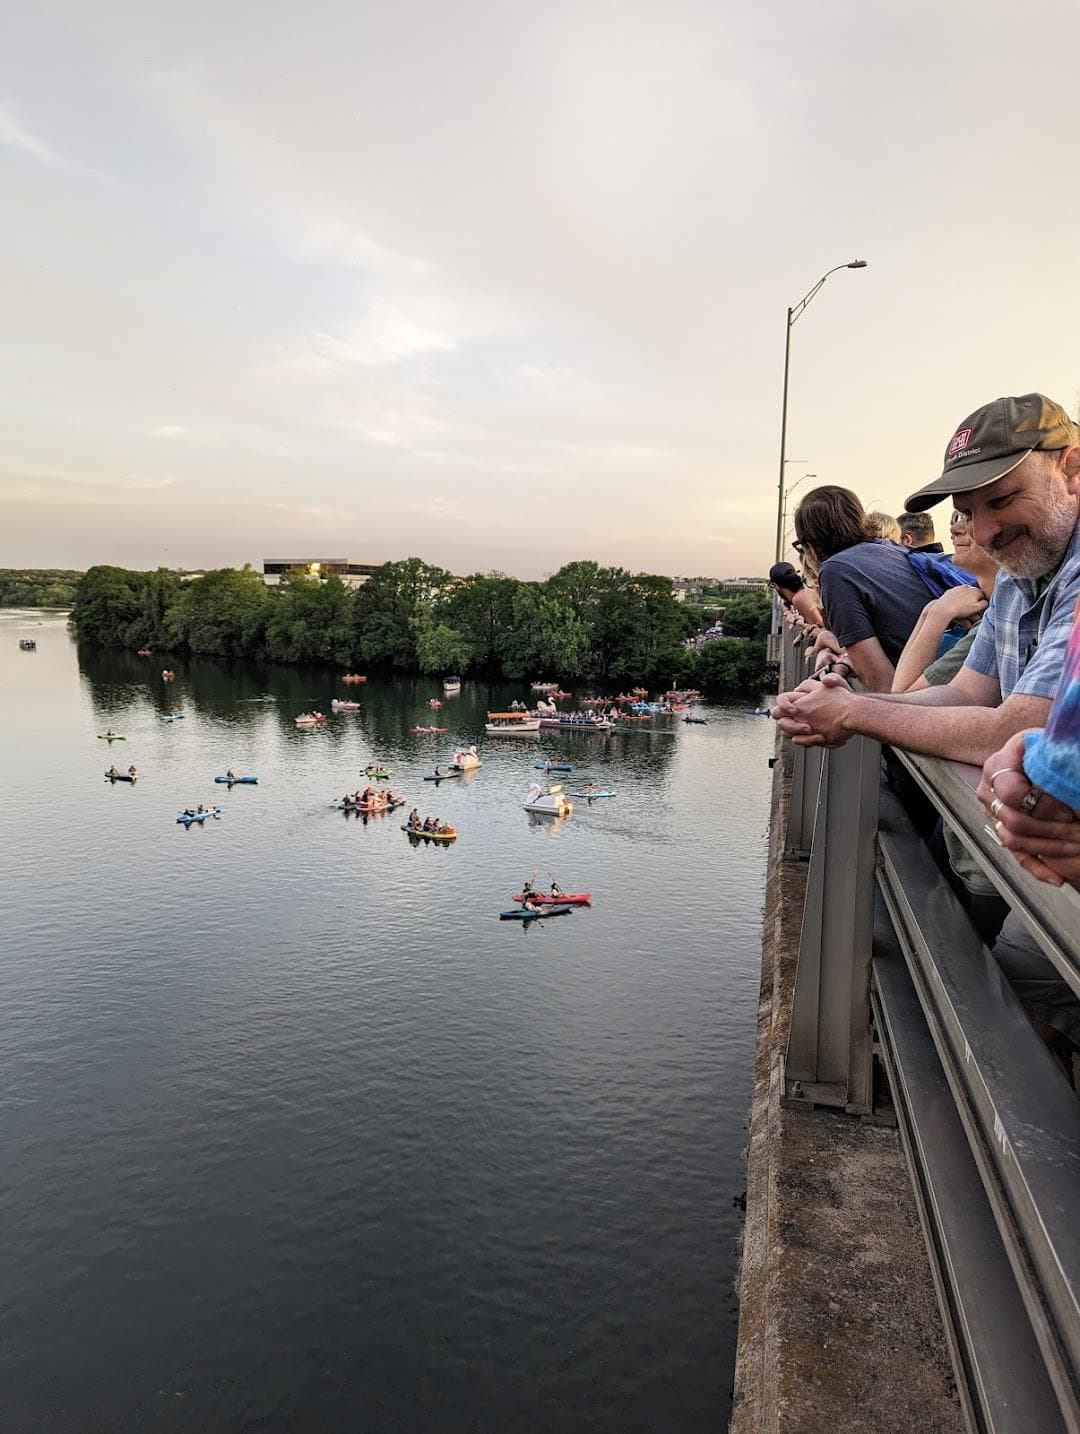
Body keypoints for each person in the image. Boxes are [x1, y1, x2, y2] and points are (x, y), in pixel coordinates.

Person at [775, 394, 1080, 766]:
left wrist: (853, 712)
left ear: (1071, 470)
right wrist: (844, 702)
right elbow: (964, 694)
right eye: (967, 513)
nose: (983, 534)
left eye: (1001, 500)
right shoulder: (1016, 576)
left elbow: (1019, 731)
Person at [790, 485, 937, 690]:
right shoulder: (891, 549)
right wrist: (848, 658)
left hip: (927, 694)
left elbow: (883, 684)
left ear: (812, 546)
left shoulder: (835, 571)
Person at [891, 510, 999, 693]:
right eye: (956, 518)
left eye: (969, 517)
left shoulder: (992, 622)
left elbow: (903, 695)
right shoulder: (966, 605)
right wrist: (930, 610)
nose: (954, 529)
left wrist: (938, 614)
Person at [768, 561, 826, 629]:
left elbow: (820, 628)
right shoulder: (804, 593)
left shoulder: (799, 598)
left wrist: (794, 621)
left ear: (776, 585)